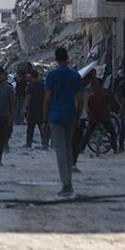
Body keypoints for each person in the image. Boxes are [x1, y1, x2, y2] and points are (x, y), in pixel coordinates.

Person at [43, 47, 84, 198]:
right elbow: (80, 99)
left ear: (56, 59)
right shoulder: (75, 75)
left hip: (55, 116)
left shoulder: (52, 75)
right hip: (70, 115)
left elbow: (47, 99)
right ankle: (69, 181)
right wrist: (78, 116)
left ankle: (66, 184)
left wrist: (44, 119)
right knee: (68, 148)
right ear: (67, 58)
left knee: (60, 150)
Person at [82, 78, 117, 152]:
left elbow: (88, 108)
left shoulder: (91, 96)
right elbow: (108, 107)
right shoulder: (106, 94)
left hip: (93, 117)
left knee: (88, 132)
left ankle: (82, 148)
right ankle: (115, 148)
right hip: (104, 117)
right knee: (112, 132)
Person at [24, 70, 48, 149]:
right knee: (42, 127)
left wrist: (26, 109)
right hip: (41, 109)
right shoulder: (43, 85)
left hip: (32, 109)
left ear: (31, 77)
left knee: (30, 128)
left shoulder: (30, 86)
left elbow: (28, 98)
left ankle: (28, 143)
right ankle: (44, 143)